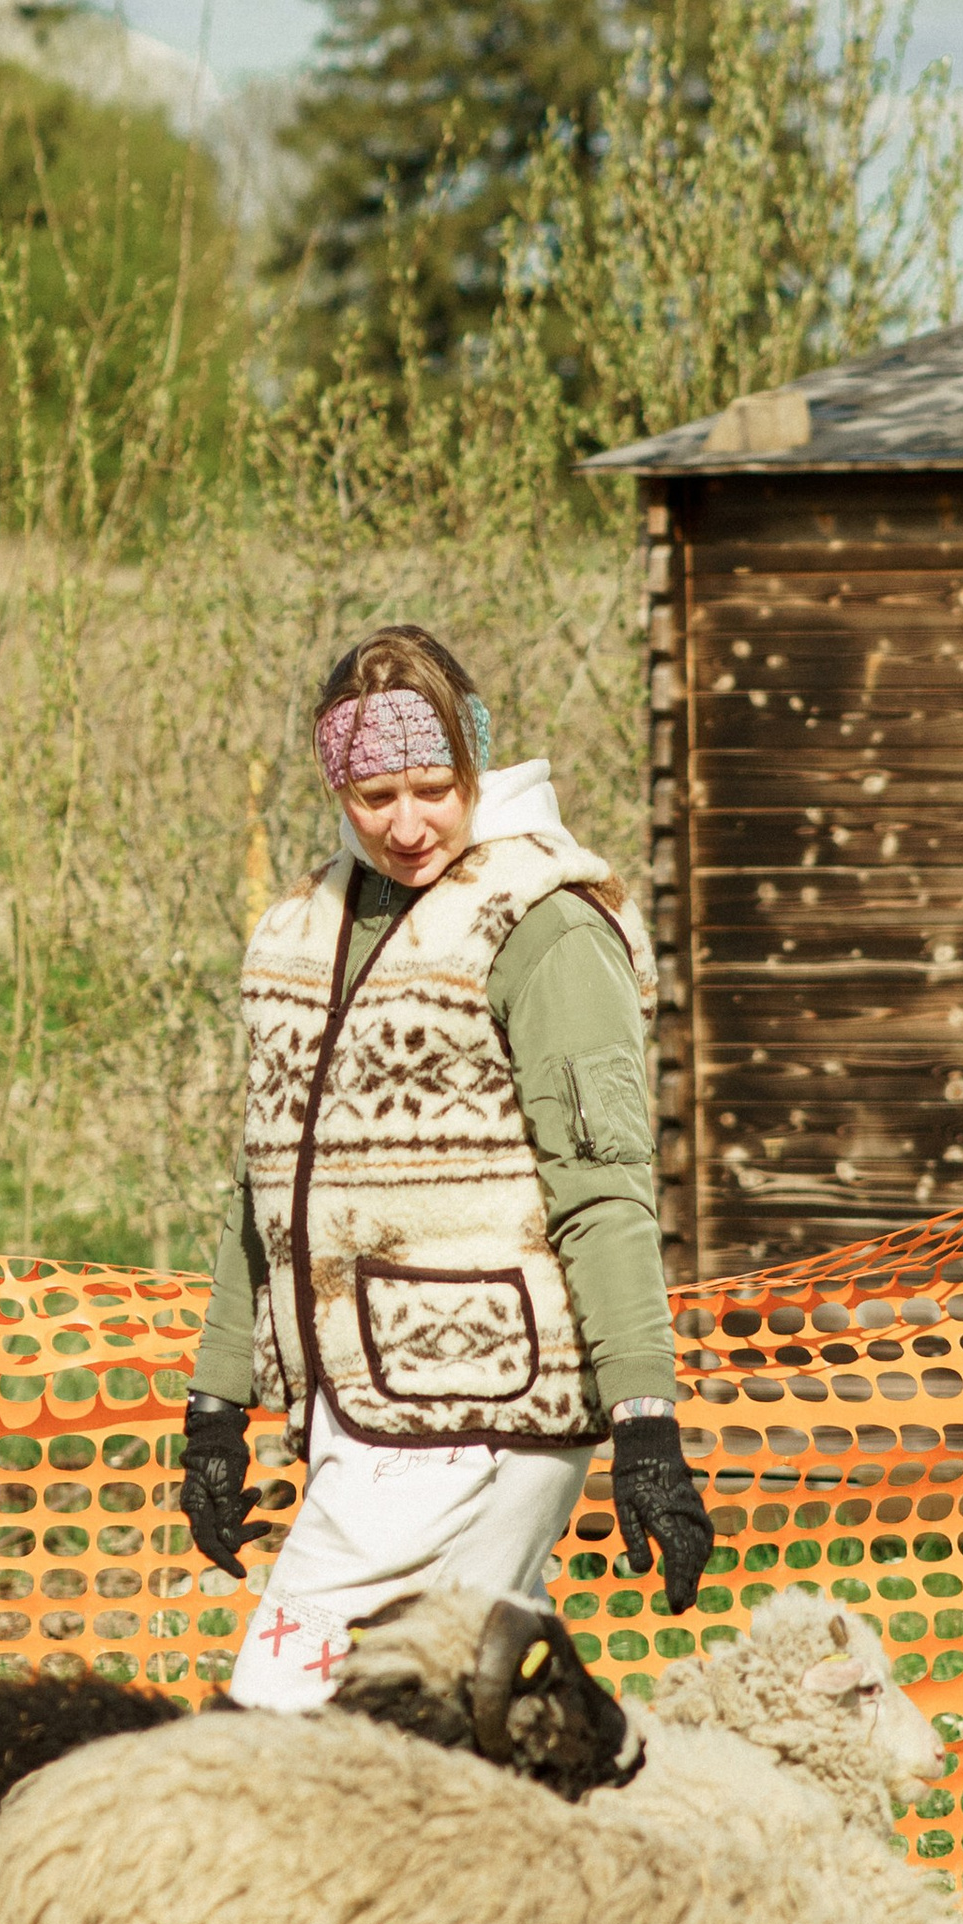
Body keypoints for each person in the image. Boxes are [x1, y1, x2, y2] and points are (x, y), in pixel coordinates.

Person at [180, 624, 714, 1710]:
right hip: (362, 1412)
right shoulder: (299, 930)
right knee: (449, 1717)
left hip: (486, 1403)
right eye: (376, 796)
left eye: (433, 787)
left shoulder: (546, 926)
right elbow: (267, 1188)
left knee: (275, 1705)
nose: (408, 822)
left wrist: (645, 1425)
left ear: (475, 767)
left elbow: (604, 1192)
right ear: (338, 785)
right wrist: (215, 1403)